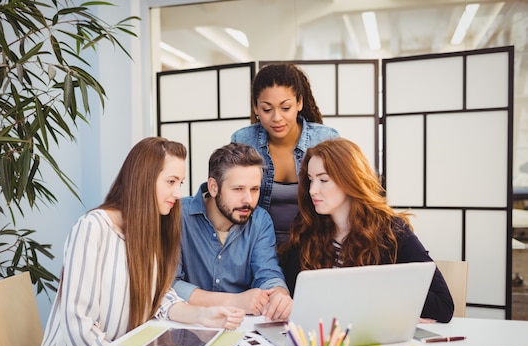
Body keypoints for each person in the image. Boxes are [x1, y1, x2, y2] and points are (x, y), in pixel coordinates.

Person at [36, 137, 245, 346]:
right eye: (171, 181)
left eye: (181, 182)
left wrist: (202, 315)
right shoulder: (92, 227)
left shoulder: (148, 230)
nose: (178, 193)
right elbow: (78, 322)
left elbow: (160, 298)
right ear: (144, 179)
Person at [279, 138, 454, 323]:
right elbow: (293, 294)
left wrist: (395, 307)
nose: (313, 190)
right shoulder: (307, 227)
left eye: (323, 180)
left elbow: (443, 306)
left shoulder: (391, 231)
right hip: (319, 340)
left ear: (349, 180)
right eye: (310, 180)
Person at [172, 143, 292, 321]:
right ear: (214, 187)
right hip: (188, 324)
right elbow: (170, 285)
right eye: (238, 189)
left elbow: (268, 274)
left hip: (240, 327)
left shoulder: (260, 220)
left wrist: (278, 296)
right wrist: (235, 301)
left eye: (254, 189)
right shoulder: (179, 216)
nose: (248, 200)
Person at [231, 63, 340, 247]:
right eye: (267, 109)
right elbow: (230, 195)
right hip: (256, 244)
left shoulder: (325, 139)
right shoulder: (243, 140)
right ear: (256, 108)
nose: (277, 118)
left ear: (299, 103)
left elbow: (345, 194)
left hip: (315, 242)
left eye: (285, 108)